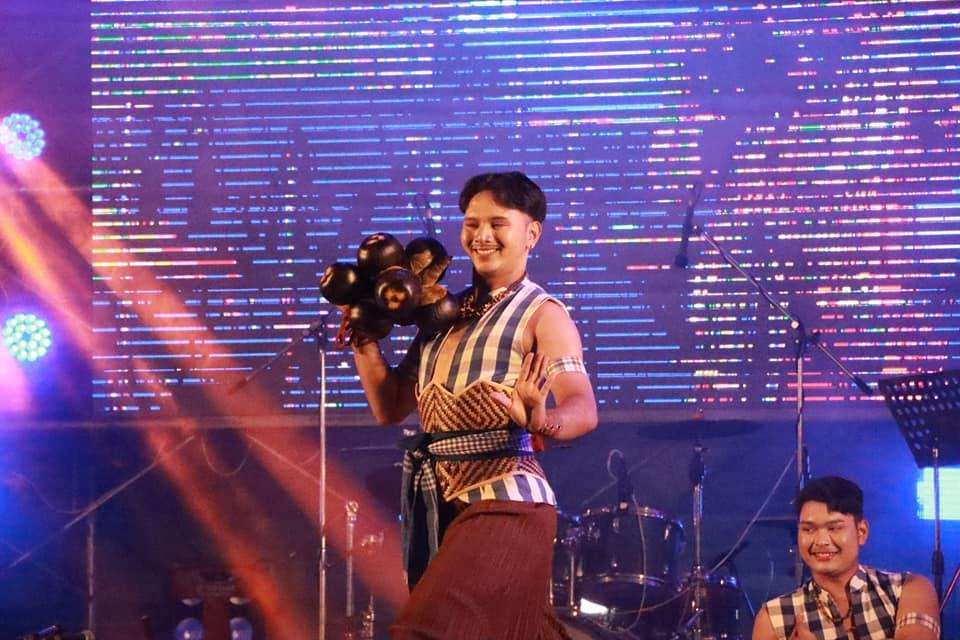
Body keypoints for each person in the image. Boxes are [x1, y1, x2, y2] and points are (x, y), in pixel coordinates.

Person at [344, 171, 598, 639]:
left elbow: (583, 407)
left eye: (497, 224)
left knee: (426, 632)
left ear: (532, 234)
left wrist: (541, 418)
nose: (481, 236)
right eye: (471, 224)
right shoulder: (442, 315)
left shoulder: (543, 314)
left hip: (507, 503)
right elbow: (390, 406)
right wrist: (364, 340)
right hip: (441, 508)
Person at [752, 475, 940, 640]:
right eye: (808, 529)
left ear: (861, 532)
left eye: (834, 528)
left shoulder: (908, 589)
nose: (821, 541)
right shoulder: (774, 618)